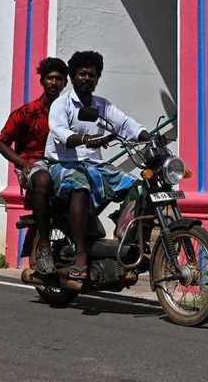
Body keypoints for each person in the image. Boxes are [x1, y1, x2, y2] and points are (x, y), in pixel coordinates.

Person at [46, 50, 149, 289]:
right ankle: (81, 256)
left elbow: (124, 123)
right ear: (72, 77)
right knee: (79, 185)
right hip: (63, 164)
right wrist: (82, 139)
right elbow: (59, 131)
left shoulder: (102, 106)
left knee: (138, 187)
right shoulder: (61, 104)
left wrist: (145, 136)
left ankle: (125, 242)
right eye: (82, 74)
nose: (87, 79)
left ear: (97, 78)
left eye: (92, 75)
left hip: (94, 165)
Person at [0, 56, 68, 275]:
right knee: (43, 178)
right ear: (43, 81)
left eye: (59, 79)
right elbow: (2, 142)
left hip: (61, 166)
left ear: (65, 83)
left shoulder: (68, 113)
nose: (54, 83)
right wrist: (22, 163)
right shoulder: (27, 112)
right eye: (50, 78)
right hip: (33, 167)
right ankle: (45, 246)